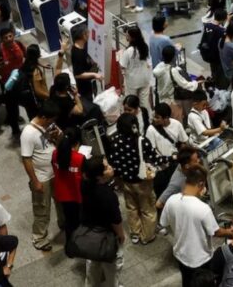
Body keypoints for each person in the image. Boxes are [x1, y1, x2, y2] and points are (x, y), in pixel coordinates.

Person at [160, 165, 232, 286]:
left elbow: (164, 223)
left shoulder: (171, 200)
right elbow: (216, 232)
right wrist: (230, 232)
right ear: (201, 184)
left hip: (181, 255)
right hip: (200, 259)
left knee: (187, 282)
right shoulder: (203, 208)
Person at [107, 114, 168, 244]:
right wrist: (170, 158)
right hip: (142, 182)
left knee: (131, 208)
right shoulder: (141, 141)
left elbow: (113, 162)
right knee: (147, 208)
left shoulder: (115, 141)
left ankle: (135, 233)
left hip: (126, 181)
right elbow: (155, 158)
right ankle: (147, 236)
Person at [19, 100, 63, 251]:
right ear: (44, 117)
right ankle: (39, 238)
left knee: (61, 201)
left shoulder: (49, 126)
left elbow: (60, 140)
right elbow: (26, 159)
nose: (53, 123)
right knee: (42, 209)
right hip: (42, 178)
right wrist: (35, 181)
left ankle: (64, 224)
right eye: (51, 120)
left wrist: (57, 136)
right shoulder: (28, 133)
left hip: (55, 173)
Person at [81, 156, 125, 287]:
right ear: (99, 176)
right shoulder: (107, 195)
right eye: (106, 168)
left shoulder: (85, 185)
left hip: (90, 233)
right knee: (112, 267)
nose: (110, 167)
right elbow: (116, 220)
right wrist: (121, 235)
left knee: (92, 264)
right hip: (107, 238)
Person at [146, 103, 190, 198]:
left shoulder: (177, 124)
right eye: (154, 116)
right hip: (162, 168)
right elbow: (151, 151)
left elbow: (183, 142)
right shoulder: (151, 130)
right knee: (163, 194)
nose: (154, 119)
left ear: (166, 118)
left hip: (176, 164)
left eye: (157, 117)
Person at [0, 26, 26, 136]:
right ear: (2, 39)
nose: (9, 39)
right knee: (12, 107)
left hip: (21, 80)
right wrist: (1, 66)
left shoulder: (19, 44)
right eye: (6, 37)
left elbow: (26, 56)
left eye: (10, 36)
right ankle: (15, 129)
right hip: (8, 84)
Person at [51, 128, 84, 240]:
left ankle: (70, 242)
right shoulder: (79, 158)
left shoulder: (55, 154)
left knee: (69, 220)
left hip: (62, 194)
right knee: (79, 220)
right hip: (76, 194)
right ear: (77, 143)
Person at [153, 45, 200, 120]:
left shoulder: (159, 66)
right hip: (171, 102)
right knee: (176, 122)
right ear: (173, 57)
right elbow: (185, 85)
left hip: (161, 100)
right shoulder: (173, 71)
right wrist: (196, 83)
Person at [118, 26, 152, 108]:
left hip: (132, 81)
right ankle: (145, 115)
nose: (126, 37)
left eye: (127, 35)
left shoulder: (129, 51)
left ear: (132, 37)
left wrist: (121, 84)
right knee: (144, 103)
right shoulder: (144, 47)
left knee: (131, 102)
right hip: (145, 78)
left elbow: (122, 66)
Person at [71, 25, 103, 98]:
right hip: (84, 87)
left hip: (89, 81)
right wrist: (94, 74)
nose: (89, 34)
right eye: (88, 33)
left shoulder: (83, 46)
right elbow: (78, 74)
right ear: (83, 35)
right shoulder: (77, 54)